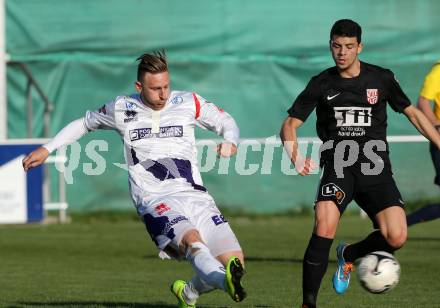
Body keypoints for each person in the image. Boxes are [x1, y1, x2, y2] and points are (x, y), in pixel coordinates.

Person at [22, 50, 246, 308]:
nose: (163, 94)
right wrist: (47, 148)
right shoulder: (121, 108)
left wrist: (231, 141)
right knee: (192, 242)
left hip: (196, 195)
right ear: (139, 86)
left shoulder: (188, 102)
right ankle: (224, 282)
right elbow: (84, 123)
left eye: (166, 87)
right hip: (155, 200)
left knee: (236, 261)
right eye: (155, 89)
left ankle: (190, 292)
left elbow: (226, 120)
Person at [280, 19, 440, 308]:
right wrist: (295, 155)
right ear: (331, 45)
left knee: (397, 237)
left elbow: (414, 114)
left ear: (359, 47)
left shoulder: (381, 79)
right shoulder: (321, 83)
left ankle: (349, 254)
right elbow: (290, 124)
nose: (342, 52)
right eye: (337, 46)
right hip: (338, 169)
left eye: (349, 47)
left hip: (375, 170)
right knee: (324, 225)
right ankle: (308, 304)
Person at [406, 62, 440, 226]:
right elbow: (423, 102)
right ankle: (398, 225)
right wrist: (437, 127)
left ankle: (398, 225)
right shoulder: (438, 72)